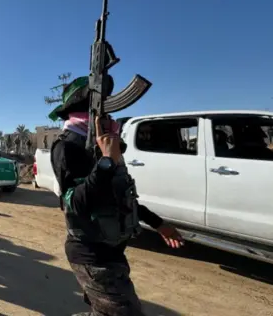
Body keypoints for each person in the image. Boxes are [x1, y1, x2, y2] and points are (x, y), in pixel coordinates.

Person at [48, 76, 183, 316]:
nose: (108, 116)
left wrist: (159, 224)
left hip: (113, 251)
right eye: (102, 107)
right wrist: (106, 161)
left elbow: (121, 198)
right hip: (91, 255)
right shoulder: (67, 146)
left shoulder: (104, 146)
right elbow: (75, 203)